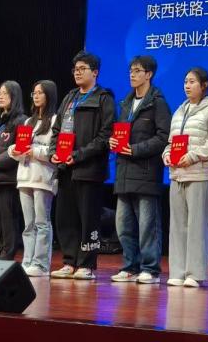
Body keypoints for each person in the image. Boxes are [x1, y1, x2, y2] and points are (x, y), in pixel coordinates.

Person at [50, 51, 115, 280]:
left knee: (88, 218)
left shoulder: (104, 98)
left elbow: (105, 136)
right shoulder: (69, 97)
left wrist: (77, 155)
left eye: (82, 69)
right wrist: (54, 152)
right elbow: (56, 129)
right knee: (65, 217)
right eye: (75, 69)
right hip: (65, 168)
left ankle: (86, 264)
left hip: (89, 169)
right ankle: (69, 261)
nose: (77, 73)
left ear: (95, 72)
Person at [110, 55, 172, 284]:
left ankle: (150, 268)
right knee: (123, 226)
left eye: (137, 71)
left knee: (148, 226)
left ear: (149, 74)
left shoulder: (157, 103)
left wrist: (135, 149)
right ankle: (130, 266)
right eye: (131, 71)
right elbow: (120, 133)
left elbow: (163, 138)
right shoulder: (125, 103)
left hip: (146, 172)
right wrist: (113, 142)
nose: (132, 75)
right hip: (124, 172)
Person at [163, 67, 208, 288]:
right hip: (177, 174)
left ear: (204, 85)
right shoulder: (180, 111)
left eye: (192, 82)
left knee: (197, 225)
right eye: (185, 82)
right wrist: (166, 154)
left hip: (199, 174)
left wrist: (193, 156)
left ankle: (195, 274)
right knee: (177, 225)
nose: (187, 86)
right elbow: (171, 142)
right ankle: (177, 271)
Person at [8, 80, 59, 277]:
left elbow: (55, 151)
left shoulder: (55, 120)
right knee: (28, 224)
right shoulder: (28, 121)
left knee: (42, 222)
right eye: (34, 93)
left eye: (40, 93)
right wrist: (14, 150)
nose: (36, 96)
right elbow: (20, 147)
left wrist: (34, 151)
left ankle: (41, 264)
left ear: (49, 95)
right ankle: (28, 260)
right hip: (25, 176)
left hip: (43, 177)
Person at [0, 80, 26, 260]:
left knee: (8, 219)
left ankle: (6, 256)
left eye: (5, 93)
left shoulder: (22, 120)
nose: (0, 97)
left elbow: (20, 148)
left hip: (8, 177)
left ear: (14, 96)